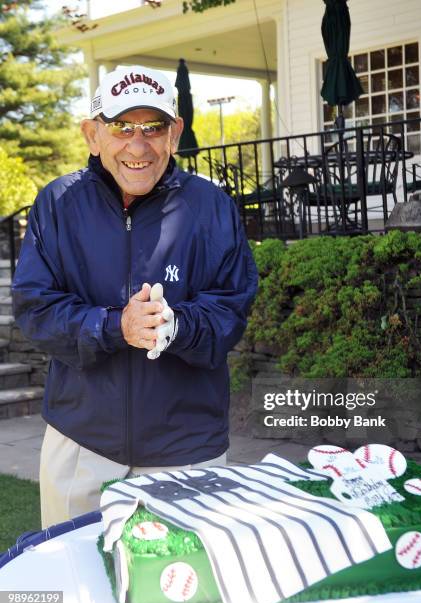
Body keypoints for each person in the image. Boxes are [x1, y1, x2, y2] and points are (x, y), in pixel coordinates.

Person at [12, 65, 258, 528]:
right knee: (75, 591)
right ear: (93, 134)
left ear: (175, 134)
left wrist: (176, 326)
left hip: (188, 447)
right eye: (122, 127)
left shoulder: (214, 207)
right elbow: (35, 307)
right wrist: (115, 326)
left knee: (184, 593)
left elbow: (232, 308)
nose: (137, 145)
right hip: (81, 439)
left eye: (154, 127)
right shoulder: (57, 203)